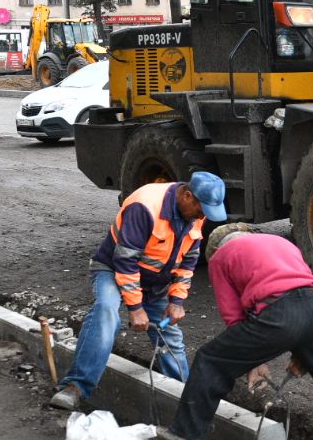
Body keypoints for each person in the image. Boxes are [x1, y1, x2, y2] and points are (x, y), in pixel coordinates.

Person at [165, 224, 313, 440]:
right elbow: (301, 288)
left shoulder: (220, 257)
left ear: (217, 247)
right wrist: (302, 355)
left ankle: (184, 435)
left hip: (277, 313)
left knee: (210, 361)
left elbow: (233, 316)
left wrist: (251, 360)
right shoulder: (282, 243)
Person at [49, 172, 227, 410]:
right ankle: (76, 387)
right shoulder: (144, 206)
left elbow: (189, 261)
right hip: (113, 269)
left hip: (154, 282)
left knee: (170, 337)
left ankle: (188, 401)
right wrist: (135, 307)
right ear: (187, 195)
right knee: (106, 312)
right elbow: (125, 262)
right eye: (202, 209)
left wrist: (176, 301)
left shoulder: (195, 212)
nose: (203, 216)